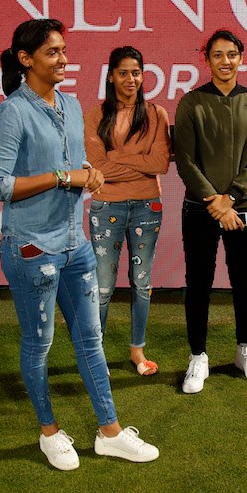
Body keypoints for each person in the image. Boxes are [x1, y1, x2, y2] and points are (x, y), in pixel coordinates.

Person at [0, 18, 159, 471]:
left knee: (92, 340)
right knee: (39, 343)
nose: (63, 59)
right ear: (26, 60)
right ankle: (49, 432)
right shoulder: (12, 112)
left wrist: (88, 172)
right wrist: (66, 177)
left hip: (74, 244)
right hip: (30, 249)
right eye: (52, 52)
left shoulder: (71, 104)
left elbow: (74, 162)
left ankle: (110, 432)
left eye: (64, 50)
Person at [172, 29, 247, 394]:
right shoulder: (191, 102)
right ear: (207, 60)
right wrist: (214, 202)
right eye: (218, 55)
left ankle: (245, 349)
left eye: (232, 54)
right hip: (199, 210)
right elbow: (184, 160)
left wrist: (230, 197)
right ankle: (198, 356)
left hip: (241, 208)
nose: (225, 61)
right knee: (198, 284)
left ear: (241, 59)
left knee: (244, 282)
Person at [85, 46, 172, 376]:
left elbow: (161, 163)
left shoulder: (156, 114)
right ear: (111, 76)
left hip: (147, 206)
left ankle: (137, 350)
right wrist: (138, 164)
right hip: (106, 205)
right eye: (123, 72)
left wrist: (115, 160)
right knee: (103, 286)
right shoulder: (95, 116)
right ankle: (97, 353)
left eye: (136, 72)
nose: (130, 79)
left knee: (141, 282)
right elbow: (96, 166)